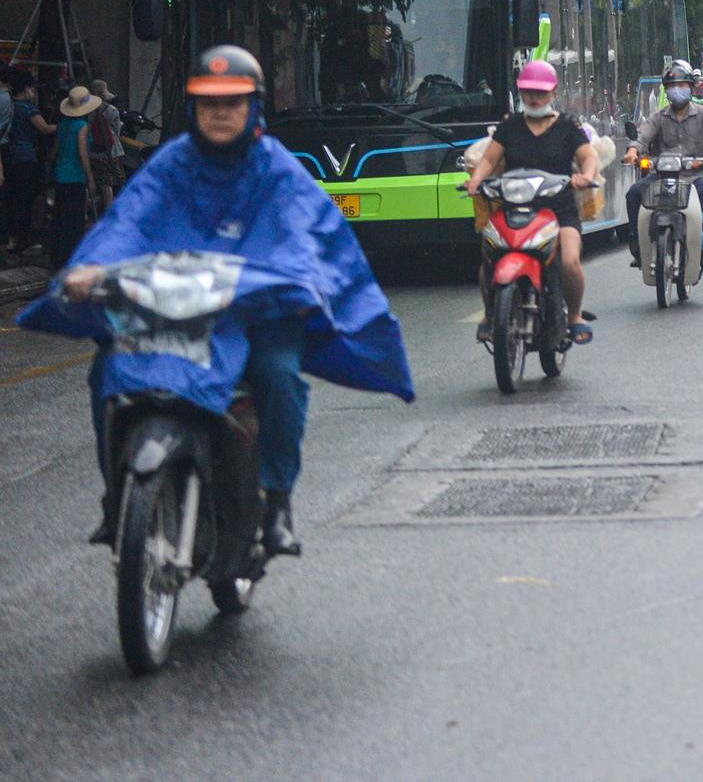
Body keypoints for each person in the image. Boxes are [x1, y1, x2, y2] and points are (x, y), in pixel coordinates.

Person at [30, 45, 413, 556]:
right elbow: (128, 222)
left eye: (232, 102)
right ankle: (114, 497)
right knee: (107, 372)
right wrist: (91, 266)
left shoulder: (275, 168)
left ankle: (277, 500)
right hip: (176, 309)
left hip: (255, 313)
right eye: (208, 103)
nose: (220, 112)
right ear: (192, 107)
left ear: (252, 106)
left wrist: (298, 282)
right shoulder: (171, 162)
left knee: (279, 375)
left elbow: (304, 235)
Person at [461, 60, 601, 344]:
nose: (534, 98)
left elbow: (589, 157)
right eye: (528, 92)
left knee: (570, 261)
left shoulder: (567, 126)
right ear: (520, 93)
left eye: (540, 92)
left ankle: (574, 316)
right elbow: (490, 158)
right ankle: (492, 315)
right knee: (488, 259)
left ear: (553, 93)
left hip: (559, 210)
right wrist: (476, 180)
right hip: (514, 208)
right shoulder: (510, 126)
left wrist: (585, 176)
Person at [624, 63, 703, 269]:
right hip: (662, 175)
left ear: (690, 87)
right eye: (672, 86)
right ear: (666, 89)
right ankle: (637, 242)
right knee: (634, 193)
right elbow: (642, 136)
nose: (677, 90)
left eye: (682, 85)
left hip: (696, 175)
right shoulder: (659, 117)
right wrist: (632, 152)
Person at [49, 86, 102, 269]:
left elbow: (54, 150)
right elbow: (82, 153)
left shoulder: (63, 124)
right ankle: (70, 259)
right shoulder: (82, 126)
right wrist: (90, 178)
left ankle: (56, 258)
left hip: (60, 174)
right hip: (75, 176)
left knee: (60, 217)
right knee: (74, 221)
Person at [6, 77, 53, 253]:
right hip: (26, 156)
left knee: (13, 196)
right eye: (32, 89)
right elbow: (44, 128)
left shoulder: (10, 106)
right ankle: (23, 238)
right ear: (26, 89)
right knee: (26, 198)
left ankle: (11, 235)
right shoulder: (28, 109)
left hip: (10, 155)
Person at [86, 79, 124, 213]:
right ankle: (109, 212)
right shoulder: (111, 110)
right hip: (109, 150)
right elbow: (116, 131)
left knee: (90, 181)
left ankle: (86, 212)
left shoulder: (87, 109)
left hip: (91, 151)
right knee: (107, 184)